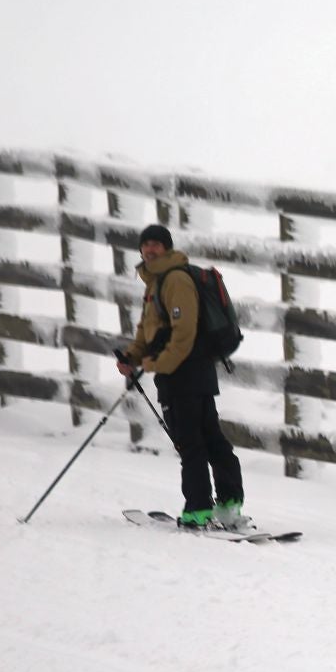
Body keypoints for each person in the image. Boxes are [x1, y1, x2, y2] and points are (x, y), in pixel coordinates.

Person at [116, 224, 247, 530]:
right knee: (209, 439)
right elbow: (147, 331)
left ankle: (200, 509)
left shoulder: (175, 279)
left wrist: (154, 364)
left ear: (167, 248)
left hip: (184, 372)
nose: (149, 249)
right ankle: (228, 504)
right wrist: (132, 357)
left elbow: (183, 333)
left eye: (156, 244)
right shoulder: (156, 282)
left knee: (192, 443)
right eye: (145, 245)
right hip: (186, 372)